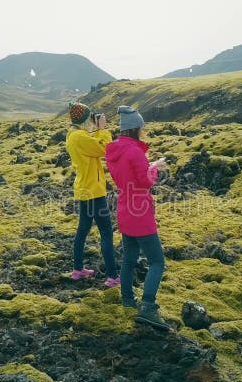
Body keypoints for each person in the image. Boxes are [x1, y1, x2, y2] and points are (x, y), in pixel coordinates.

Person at [105, 105, 169, 330]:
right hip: (140, 210)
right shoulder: (135, 152)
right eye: (141, 128)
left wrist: (151, 165)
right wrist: (154, 169)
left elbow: (131, 175)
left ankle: (127, 299)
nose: (143, 131)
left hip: (125, 208)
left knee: (130, 259)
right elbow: (145, 181)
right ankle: (148, 308)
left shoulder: (114, 151)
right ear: (134, 129)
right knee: (157, 261)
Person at [65, 101, 120, 287]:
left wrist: (96, 130)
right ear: (83, 118)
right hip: (94, 192)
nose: (91, 119)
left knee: (83, 230)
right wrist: (102, 129)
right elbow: (106, 150)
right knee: (106, 232)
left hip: (84, 189)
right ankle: (113, 277)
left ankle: (78, 269)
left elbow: (93, 146)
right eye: (89, 116)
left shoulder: (74, 135)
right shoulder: (80, 136)